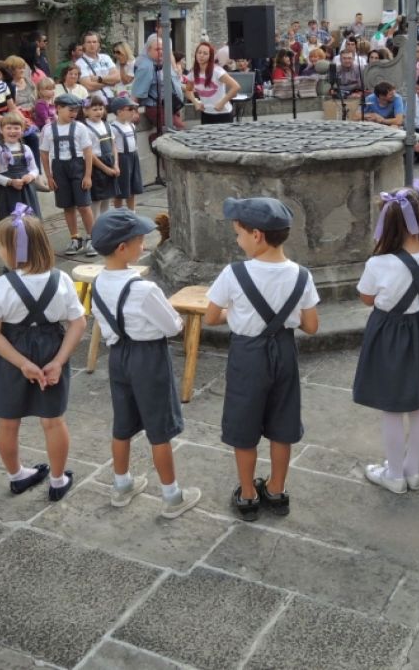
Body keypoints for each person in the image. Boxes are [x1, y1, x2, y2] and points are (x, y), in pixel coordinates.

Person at [204, 197, 320, 521]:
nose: (236, 240)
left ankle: (247, 494)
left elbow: (212, 317)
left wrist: (236, 312)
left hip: (247, 354)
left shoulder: (234, 273)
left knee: (244, 423)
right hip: (284, 352)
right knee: (283, 423)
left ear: (256, 235)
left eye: (238, 234)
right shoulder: (301, 275)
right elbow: (311, 326)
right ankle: (277, 489)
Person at [88, 211, 202, 517]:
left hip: (118, 356)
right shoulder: (144, 289)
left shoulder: (97, 283)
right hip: (148, 358)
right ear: (123, 247)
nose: (144, 243)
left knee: (122, 424)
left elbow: (102, 322)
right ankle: (171, 496)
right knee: (159, 428)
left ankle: (122, 485)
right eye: (139, 240)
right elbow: (173, 326)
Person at [0, 205, 81, 499]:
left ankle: (17, 475)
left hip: (11, 353)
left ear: (14, 250)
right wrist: (59, 361)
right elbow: (78, 323)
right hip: (52, 347)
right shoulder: (61, 280)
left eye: (0, 246)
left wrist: (22, 363)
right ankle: (58, 480)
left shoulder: (0, 286)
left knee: (8, 421)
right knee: (53, 421)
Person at [354, 187, 419, 494]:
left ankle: (393, 474)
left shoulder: (379, 263)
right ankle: (412, 472)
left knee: (392, 408)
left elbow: (367, 298)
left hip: (388, 335)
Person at [40, 93, 97, 256]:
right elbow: (44, 153)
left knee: (84, 205)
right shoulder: (48, 129)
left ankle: (92, 238)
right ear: (58, 108)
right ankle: (75, 238)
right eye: (70, 110)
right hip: (59, 168)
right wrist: (49, 176)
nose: (73, 114)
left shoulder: (80, 127)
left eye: (76, 111)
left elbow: (87, 152)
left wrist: (87, 175)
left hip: (77, 166)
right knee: (67, 206)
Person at [0, 113, 40, 220]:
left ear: (22, 131)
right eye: (8, 128)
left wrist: (30, 176)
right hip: (7, 191)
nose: (12, 131)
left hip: (27, 189)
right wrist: (10, 182)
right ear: (1, 130)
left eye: (16, 128)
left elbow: (34, 169)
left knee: (30, 219)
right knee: (11, 220)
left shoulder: (26, 148)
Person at [82, 94, 119, 217]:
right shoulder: (85, 128)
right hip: (96, 166)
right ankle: (96, 228)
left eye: (101, 108)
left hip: (110, 163)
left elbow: (113, 145)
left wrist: (116, 165)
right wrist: (106, 169)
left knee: (107, 199)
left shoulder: (107, 125)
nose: (98, 112)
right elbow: (89, 153)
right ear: (86, 111)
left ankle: (106, 225)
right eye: (94, 109)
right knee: (97, 200)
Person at [188, 41, 240, 124]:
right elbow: (188, 90)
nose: (201, 55)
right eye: (199, 52)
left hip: (223, 114)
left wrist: (222, 103)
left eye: (205, 53)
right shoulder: (193, 73)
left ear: (210, 56)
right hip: (206, 113)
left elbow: (236, 86)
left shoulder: (217, 72)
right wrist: (195, 103)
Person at [110, 96, 145, 210]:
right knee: (120, 189)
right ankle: (118, 213)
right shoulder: (113, 128)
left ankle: (132, 212)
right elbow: (112, 146)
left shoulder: (131, 125)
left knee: (132, 187)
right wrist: (115, 163)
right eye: (130, 109)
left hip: (133, 156)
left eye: (134, 109)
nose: (133, 112)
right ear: (119, 111)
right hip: (122, 159)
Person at [76, 31, 120, 99]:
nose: (92, 45)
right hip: (95, 102)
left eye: (94, 42)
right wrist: (110, 82)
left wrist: (99, 79)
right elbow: (89, 86)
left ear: (99, 44)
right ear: (83, 45)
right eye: (89, 42)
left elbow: (117, 78)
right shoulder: (80, 63)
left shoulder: (106, 58)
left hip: (112, 97)